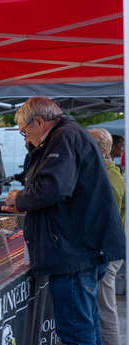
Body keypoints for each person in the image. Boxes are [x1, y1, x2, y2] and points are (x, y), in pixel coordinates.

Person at [2, 97, 125, 345]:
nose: (25, 138)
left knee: (76, 332)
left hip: (74, 253)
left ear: (39, 121)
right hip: (83, 249)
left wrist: (21, 198)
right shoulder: (70, 135)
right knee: (87, 325)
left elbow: (53, 187)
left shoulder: (63, 137)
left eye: (25, 131)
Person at [89, 128, 125, 345]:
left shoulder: (109, 178)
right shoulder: (108, 174)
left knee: (105, 308)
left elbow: (102, 219)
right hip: (107, 249)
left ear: (102, 152)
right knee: (102, 306)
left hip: (107, 251)